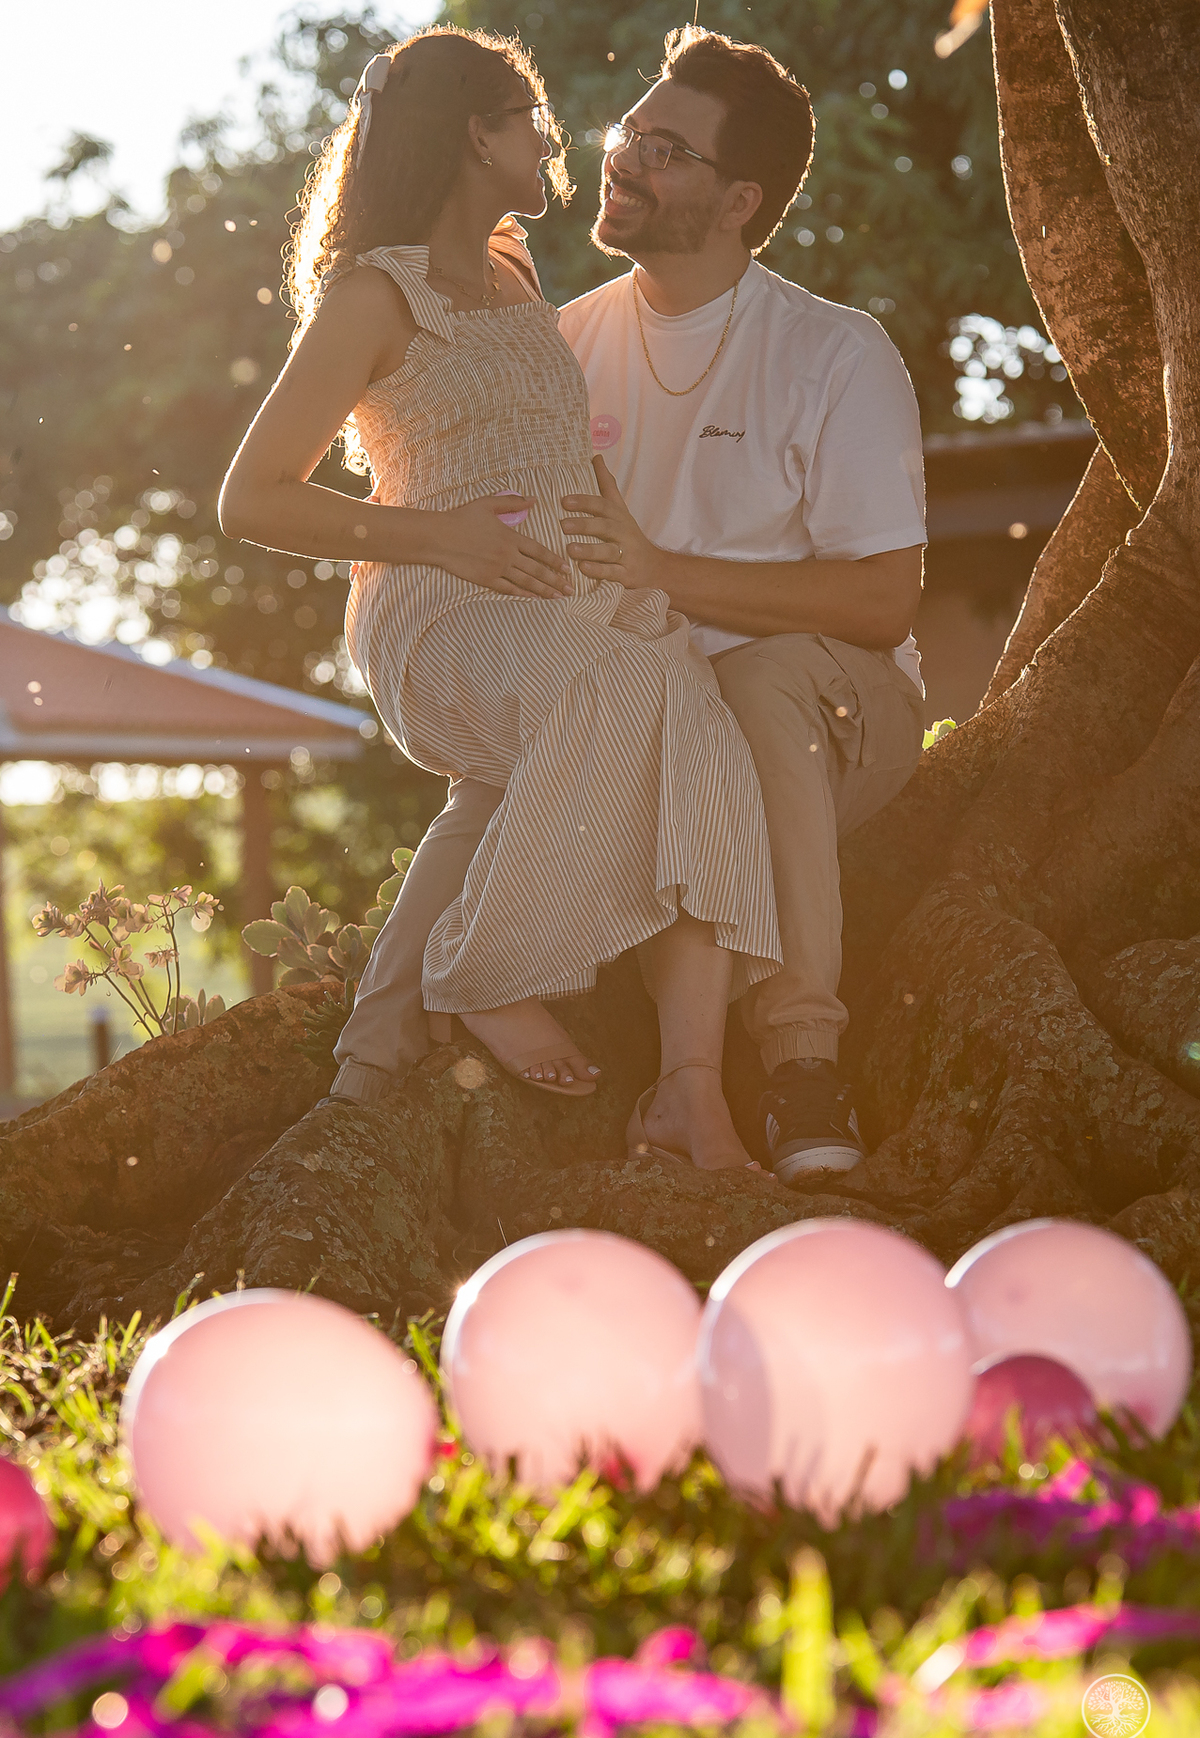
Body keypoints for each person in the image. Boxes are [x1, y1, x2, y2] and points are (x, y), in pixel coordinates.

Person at [331, 26, 928, 1184]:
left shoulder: (834, 353)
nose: (623, 160)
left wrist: (664, 574)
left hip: (830, 710)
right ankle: (381, 1039)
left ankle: (802, 1055)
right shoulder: (561, 341)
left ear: (739, 197)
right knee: (579, 703)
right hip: (635, 689)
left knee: (733, 680)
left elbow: (881, 599)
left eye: (666, 149)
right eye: (628, 135)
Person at [219, 26, 783, 1174]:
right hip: (438, 604)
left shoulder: (517, 266)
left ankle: (691, 1091)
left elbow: (551, 438)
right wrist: (447, 538)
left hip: (562, 592)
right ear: (479, 135)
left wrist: (624, 541)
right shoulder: (376, 296)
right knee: (611, 684)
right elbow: (251, 498)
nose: (554, 141)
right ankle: (476, 971)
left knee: (696, 724)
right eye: (531, 120)